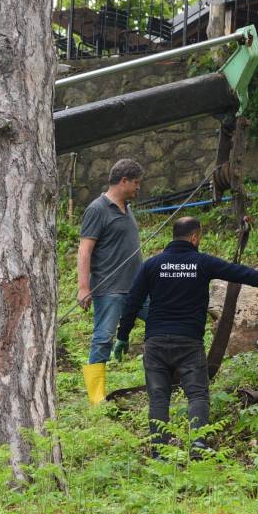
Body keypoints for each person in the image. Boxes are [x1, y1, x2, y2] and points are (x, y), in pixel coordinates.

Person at [114, 216, 258, 457]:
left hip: (155, 342)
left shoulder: (152, 265)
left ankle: (159, 450)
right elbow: (238, 273)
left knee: (158, 398)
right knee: (197, 394)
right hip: (188, 342)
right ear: (195, 237)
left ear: (173, 236)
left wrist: (122, 336)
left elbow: (132, 301)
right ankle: (197, 445)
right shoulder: (202, 262)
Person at [77, 158, 149, 404]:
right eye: (136, 182)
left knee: (163, 319)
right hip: (110, 289)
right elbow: (85, 250)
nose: (139, 187)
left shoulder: (127, 209)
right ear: (123, 181)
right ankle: (96, 399)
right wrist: (84, 287)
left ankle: (168, 373)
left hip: (138, 287)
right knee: (103, 337)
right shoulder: (97, 209)